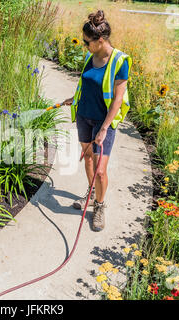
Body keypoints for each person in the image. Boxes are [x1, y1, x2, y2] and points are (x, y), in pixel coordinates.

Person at [58, 9, 131, 232]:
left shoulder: (120, 61)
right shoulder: (91, 57)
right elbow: (86, 84)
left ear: (100, 40)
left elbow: (118, 100)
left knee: (100, 170)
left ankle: (99, 206)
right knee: (88, 159)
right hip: (83, 117)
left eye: (86, 42)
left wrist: (104, 129)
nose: (84, 45)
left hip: (103, 123)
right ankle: (91, 194)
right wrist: (74, 97)